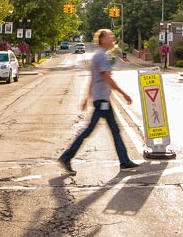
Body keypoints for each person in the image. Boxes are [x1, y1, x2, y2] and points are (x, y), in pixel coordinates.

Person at [58, 28, 139, 173]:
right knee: (90, 131)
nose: (112, 38)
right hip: (102, 101)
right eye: (110, 36)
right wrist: (124, 94)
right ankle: (66, 156)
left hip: (102, 99)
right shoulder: (101, 56)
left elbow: (92, 79)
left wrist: (87, 97)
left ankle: (124, 161)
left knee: (114, 130)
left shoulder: (101, 55)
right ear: (102, 40)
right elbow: (108, 78)